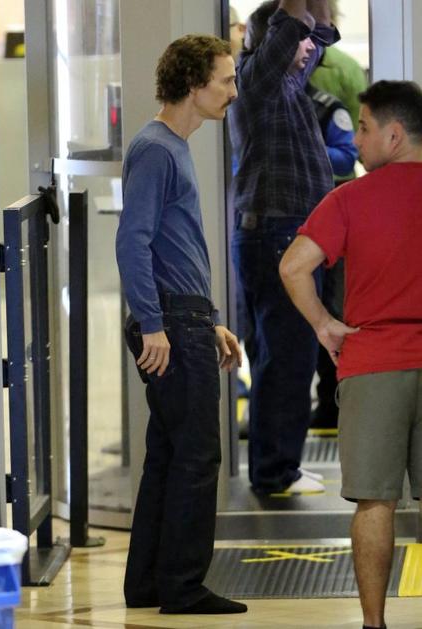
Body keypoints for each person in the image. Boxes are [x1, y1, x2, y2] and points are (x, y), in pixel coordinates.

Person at [279, 79, 422, 629]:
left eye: (363, 129)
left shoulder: (348, 199)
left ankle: (373, 624)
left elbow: (293, 266)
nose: (356, 140)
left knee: (374, 503)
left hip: (373, 363)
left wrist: (324, 325)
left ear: (394, 134)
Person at [115, 35, 247, 615]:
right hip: (170, 320)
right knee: (196, 458)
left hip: (183, 317)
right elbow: (133, 241)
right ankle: (183, 587)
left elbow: (177, 247)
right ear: (194, 85)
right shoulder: (156, 149)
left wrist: (209, 320)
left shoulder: (170, 147)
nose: (234, 91)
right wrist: (155, 324)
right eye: (226, 80)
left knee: (169, 456)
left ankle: (149, 583)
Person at [228, 0, 339, 495]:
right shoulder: (258, 80)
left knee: (282, 356)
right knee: (287, 358)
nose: (310, 47)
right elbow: (291, 23)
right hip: (277, 236)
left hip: (282, 234)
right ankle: (275, 471)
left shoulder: (288, 81)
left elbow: (320, 29)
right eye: (299, 38)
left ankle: (279, 464)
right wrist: (292, 18)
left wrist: (312, 20)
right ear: (272, 41)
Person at [309, 0, 367, 428]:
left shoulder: (342, 71)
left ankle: (331, 401)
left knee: (333, 305)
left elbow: (356, 144)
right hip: (313, 206)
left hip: (334, 202)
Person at [306, 80, 358, 428]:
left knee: (333, 310)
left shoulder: (325, 107)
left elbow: (346, 157)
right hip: (294, 226)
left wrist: (307, 151)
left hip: (330, 227)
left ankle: (330, 403)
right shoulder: (263, 104)